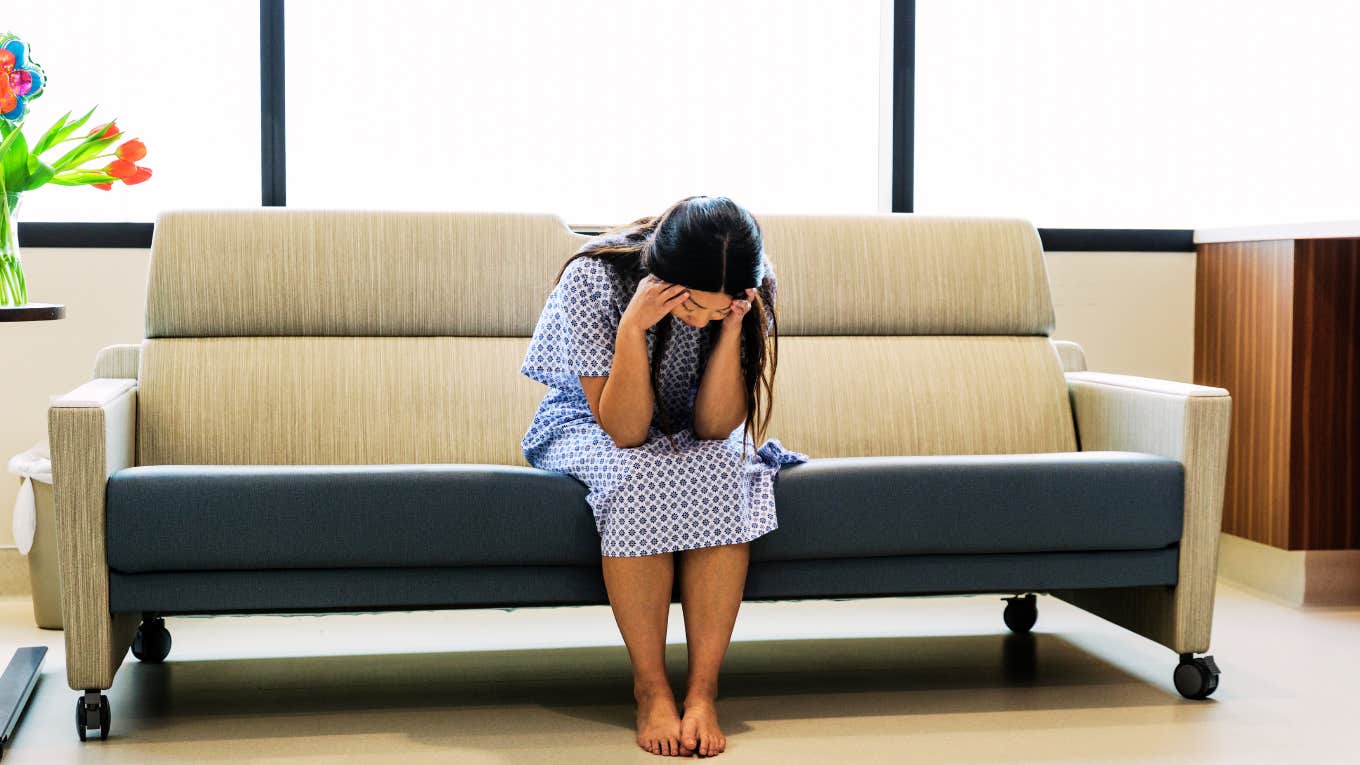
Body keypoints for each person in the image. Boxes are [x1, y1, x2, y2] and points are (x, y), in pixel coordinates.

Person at [519, 195, 808, 757]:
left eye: (715, 308)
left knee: (728, 472)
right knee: (638, 473)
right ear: (662, 276)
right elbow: (624, 431)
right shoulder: (592, 280)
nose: (699, 317)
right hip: (593, 420)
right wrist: (632, 329)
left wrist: (730, 330)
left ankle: (703, 691)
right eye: (693, 305)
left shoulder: (747, 289)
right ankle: (650, 688)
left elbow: (715, 426)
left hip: (685, 427)